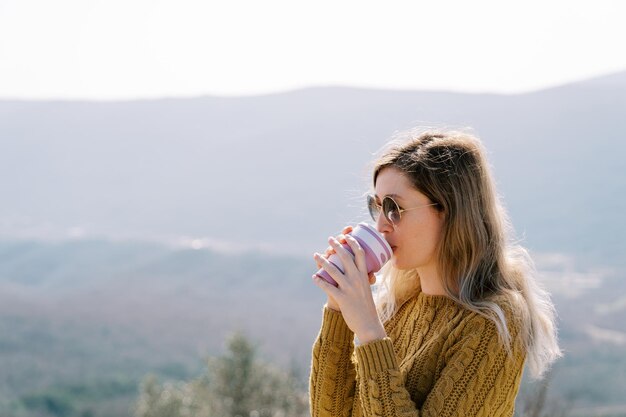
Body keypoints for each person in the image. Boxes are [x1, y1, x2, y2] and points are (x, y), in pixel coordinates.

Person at [309, 128, 562, 417]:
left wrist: (369, 333)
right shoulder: (398, 307)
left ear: (450, 210)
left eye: (394, 208)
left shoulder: (494, 321)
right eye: (377, 206)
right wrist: (339, 308)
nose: (380, 225)